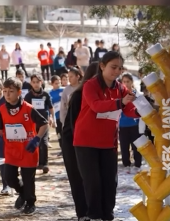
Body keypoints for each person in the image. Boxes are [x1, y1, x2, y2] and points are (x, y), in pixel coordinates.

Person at [73, 51, 140, 220]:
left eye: (119, 68)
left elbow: (129, 109)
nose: (116, 71)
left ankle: (108, 215)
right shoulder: (90, 85)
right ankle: (94, 215)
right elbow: (97, 106)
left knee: (110, 182)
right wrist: (120, 102)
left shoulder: (120, 87)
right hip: (86, 142)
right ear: (102, 66)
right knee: (93, 182)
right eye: (113, 67)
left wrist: (143, 109)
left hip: (108, 143)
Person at [0, 77, 48, 215]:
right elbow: (0, 128)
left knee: (28, 179)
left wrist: (37, 139)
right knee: (9, 178)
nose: (7, 94)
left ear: (19, 92)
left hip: (28, 149)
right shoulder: (1, 109)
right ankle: (23, 193)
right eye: (5, 91)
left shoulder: (28, 109)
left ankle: (30, 202)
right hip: (11, 150)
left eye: (10, 91)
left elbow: (44, 124)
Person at [62, 61, 98, 221]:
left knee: (92, 179)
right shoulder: (78, 95)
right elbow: (74, 124)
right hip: (74, 143)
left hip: (89, 142)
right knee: (78, 178)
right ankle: (82, 213)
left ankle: (93, 211)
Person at [24, 74, 55, 174]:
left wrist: (52, 117)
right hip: (33, 123)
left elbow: (50, 107)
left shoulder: (45, 95)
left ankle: (44, 164)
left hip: (44, 122)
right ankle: (35, 162)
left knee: (44, 142)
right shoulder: (28, 96)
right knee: (34, 142)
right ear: (31, 83)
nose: (36, 84)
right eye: (34, 82)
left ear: (41, 82)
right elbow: (25, 109)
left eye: (38, 82)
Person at [119, 73, 142, 174]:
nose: (126, 84)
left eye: (128, 81)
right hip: (122, 124)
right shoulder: (119, 94)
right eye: (124, 82)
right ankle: (126, 163)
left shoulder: (136, 94)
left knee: (136, 146)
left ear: (132, 82)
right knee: (124, 146)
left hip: (134, 124)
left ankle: (137, 164)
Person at [49, 75, 64, 156]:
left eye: (59, 83)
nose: (58, 85)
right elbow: (50, 106)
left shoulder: (63, 90)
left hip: (64, 116)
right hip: (57, 117)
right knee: (59, 134)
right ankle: (62, 149)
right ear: (52, 84)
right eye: (56, 83)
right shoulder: (50, 94)